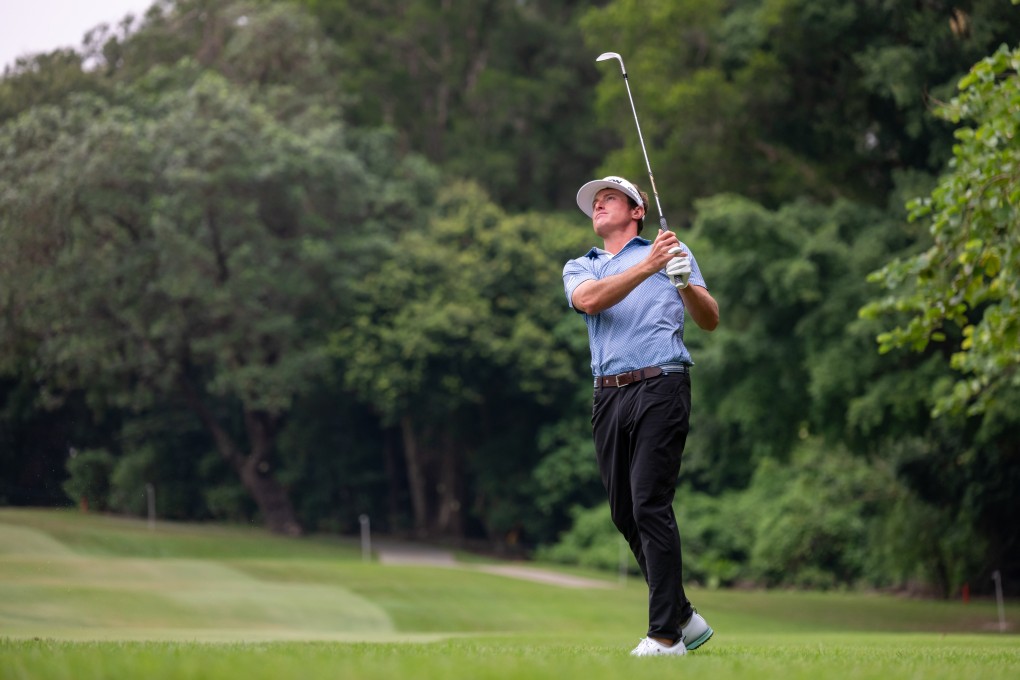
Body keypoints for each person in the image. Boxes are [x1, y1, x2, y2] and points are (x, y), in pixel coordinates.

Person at [562, 175, 719, 657]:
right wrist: (648, 266)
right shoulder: (581, 266)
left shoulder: (673, 249)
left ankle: (665, 636)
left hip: (661, 383)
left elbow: (709, 318)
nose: (598, 206)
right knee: (624, 511)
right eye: (594, 202)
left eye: (609, 199)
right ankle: (684, 616)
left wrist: (681, 283)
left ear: (637, 210)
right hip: (607, 394)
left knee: (650, 501)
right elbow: (590, 301)